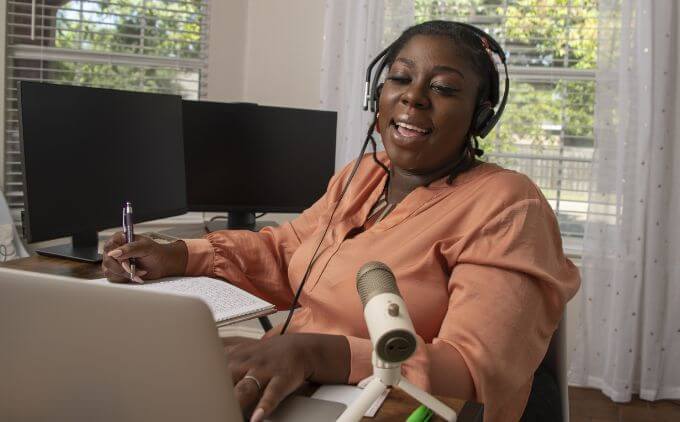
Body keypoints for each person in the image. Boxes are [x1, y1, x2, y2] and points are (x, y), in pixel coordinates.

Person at [103, 21, 580, 422]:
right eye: (401, 79)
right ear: (378, 96)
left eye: (444, 88)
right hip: (291, 375)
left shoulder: (509, 206)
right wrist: (180, 254)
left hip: (395, 404)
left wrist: (318, 354)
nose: (414, 98)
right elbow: (284, 250)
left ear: (479, 116)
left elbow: (474, 375)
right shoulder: (361, 177)